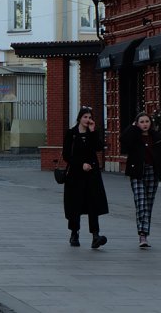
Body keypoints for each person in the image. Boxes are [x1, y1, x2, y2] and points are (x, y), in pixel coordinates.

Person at [119, 112, 161, 248]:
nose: (145, 124)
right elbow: (123, 139)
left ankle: (144, 233)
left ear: (151, 123)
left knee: (148, 204)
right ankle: (142, 234)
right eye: (142, 122)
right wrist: (132, 127)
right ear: (137, 123)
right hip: (137, 173)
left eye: (147, 121)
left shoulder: (157, 137)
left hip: (152, 172)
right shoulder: (134, 136)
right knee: (141, 203)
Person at [63, 106, 109, 249]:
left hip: (92, 175)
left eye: (90, 118)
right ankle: (74, 233)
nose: (88, 120)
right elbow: (66, 155)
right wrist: (80, 165)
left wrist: (94, 131)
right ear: (79, 118)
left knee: (93, 204)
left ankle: (95, 235)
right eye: (85, 117)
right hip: (75, 176)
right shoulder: (71, 133)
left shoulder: (92, 133)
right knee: (75, 205)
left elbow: (99, 147)